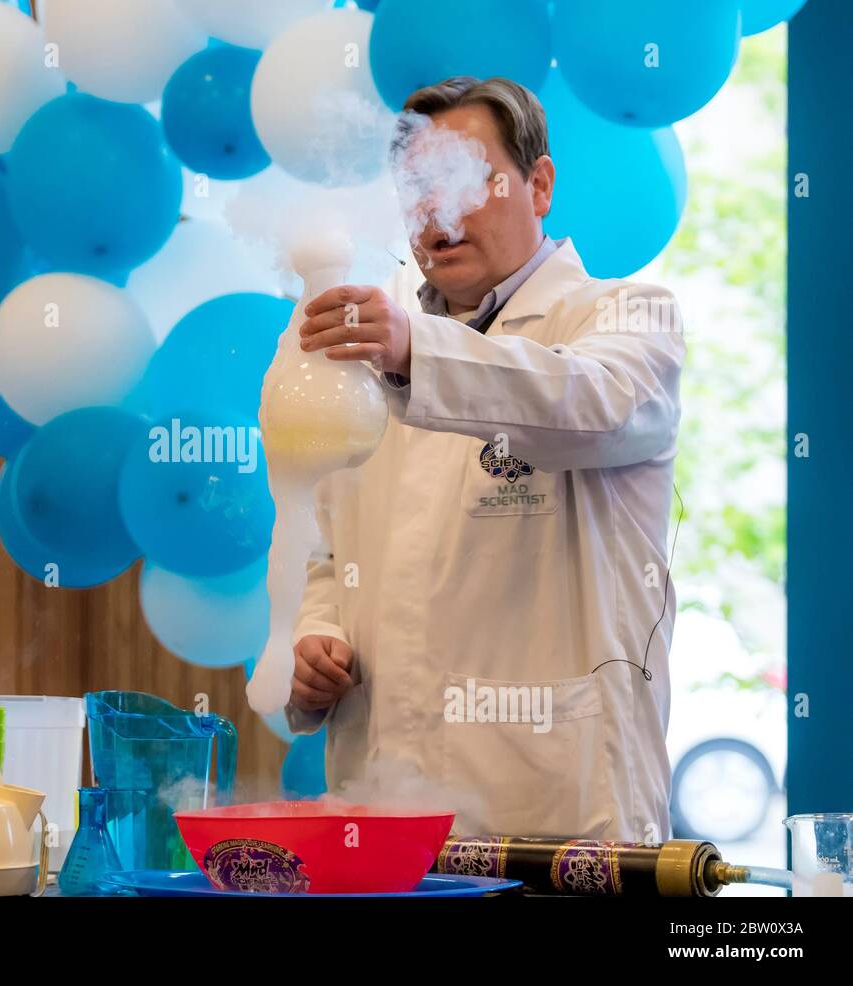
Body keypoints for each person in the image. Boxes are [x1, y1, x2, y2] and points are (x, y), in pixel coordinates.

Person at [289, 77, 684, 842]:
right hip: (389, 818)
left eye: (465, 182)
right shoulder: (377, 357)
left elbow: (590, 404)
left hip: (559, 819)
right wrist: (314, 642)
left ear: (538, 185)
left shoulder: (627, 315)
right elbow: (330, 553)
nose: (436, 215)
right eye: (415, 191)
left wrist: (413, 353)